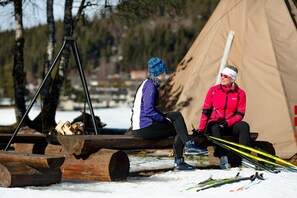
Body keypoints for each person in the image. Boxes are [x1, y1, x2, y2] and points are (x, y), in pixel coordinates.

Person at [131, 57, 208, 171]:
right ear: (159, 72)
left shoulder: (147, 83)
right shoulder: (150, 86)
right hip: (144, 127)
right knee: (177, 126)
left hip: (141, 125)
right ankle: (184, 154)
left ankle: (186, 148)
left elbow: (150, 109)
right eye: (164, 70)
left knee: (175, 116)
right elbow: (149, 111)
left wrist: (164, 116)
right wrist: (163, 119)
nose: (165, 73)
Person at [196, 65, 251, 169]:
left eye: (225, 76)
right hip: (214, 125)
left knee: (244, 126)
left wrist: (228, 122)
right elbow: (205, 112)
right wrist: (201, 129)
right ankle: (223, 157)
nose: (221, 77)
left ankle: (246, 158)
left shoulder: (240, 93)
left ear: (232, 78)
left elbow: (240, 114)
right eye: (221, 75)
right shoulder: (213, 90)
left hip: (229, 125)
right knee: (214, 126)